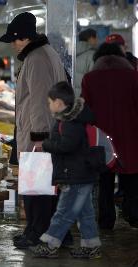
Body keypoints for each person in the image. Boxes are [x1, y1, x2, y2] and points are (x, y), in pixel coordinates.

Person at [0, 12, 68, 249]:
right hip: (45, 133)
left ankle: (37, 233)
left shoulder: (36, 59)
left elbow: (40, 100)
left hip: (38, 135)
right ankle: (47, 232)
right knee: (44, 189)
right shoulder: (45, 54)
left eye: (14, 40)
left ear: (24, 38)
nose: (12, 45)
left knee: (36, 190)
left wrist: (39, 138)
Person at [31, 81, 102, 259]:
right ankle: (91, 246)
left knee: (64, 212)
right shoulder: (72, 118)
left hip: (75, 175)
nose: (48, 106)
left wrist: (46, 144)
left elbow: (67, 146)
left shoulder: (71, 121)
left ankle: (49, 244)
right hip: (81, 173)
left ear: (58, 103)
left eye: (49, 102)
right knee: (85, 213)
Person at [82, 42, 138, 229]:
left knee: (105, 180)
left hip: (101, 136)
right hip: (130, 134)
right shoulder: (133, 76)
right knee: (131, 177)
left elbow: (86, 110)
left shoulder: (90, 79)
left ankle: (106, 220)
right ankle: (133, 214)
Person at [75, 28, 97, 96]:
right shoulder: (92, 55)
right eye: (95, 38)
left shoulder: (73, 53)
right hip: (85, 96)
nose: (97, 40)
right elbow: (94, 79)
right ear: (91, 38)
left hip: (73, 95)